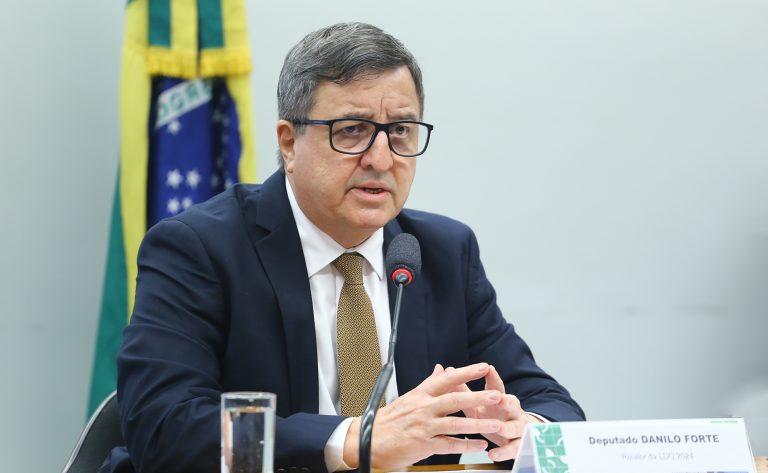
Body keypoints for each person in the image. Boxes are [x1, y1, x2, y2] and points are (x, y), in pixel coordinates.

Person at [103, 22, 584, 473]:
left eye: (400, 131)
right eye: (352, 130)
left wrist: (523, 429)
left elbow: (551, 404)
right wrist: (358, 440)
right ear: (289, 143)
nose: (382, 159)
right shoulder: (200, 249)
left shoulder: (441, 252)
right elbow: (163, 426)